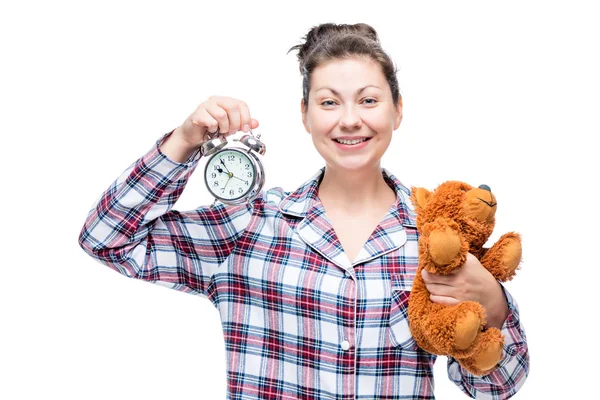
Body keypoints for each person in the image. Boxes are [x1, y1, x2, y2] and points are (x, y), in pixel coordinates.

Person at [78, 22, 529, 399]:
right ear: (305, 115)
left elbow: (499, 387)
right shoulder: (249, 226)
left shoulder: (435, 236)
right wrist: (184, 140)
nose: (349, 119)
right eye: (329, 102)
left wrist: (494, 305)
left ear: (398, 111)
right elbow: (106, 239)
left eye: (368, 100)